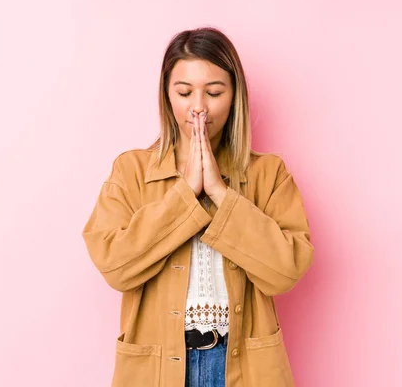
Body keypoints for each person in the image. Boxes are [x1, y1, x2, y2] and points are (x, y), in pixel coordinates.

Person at [82, 26, 314, 387]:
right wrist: (187, 194)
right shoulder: (131, 171)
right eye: (184, 92)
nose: (198, 108)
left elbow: (285, 271)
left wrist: (221, 193)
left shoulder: (269, 174)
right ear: (167, 95)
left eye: (215, 92)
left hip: (245, 365)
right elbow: (115, 266)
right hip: (158, 366)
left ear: (235, 96)